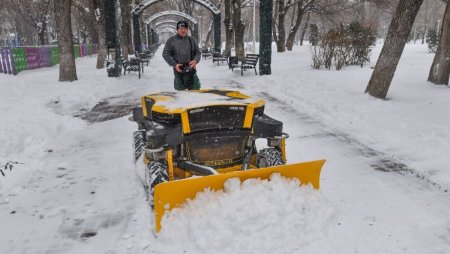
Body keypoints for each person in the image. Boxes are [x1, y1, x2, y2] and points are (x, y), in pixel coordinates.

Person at [162, 20, 201, 90]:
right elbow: (165, 54)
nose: (183, 30)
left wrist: (195, 60)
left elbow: (198, 52)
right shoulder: (171, 40)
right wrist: (175, 64)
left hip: (191, 70)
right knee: (181, 94)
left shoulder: (192, 40)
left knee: (195, 91)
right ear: (177, 29)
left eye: (185, 28)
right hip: (178, 71)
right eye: (181, 28)